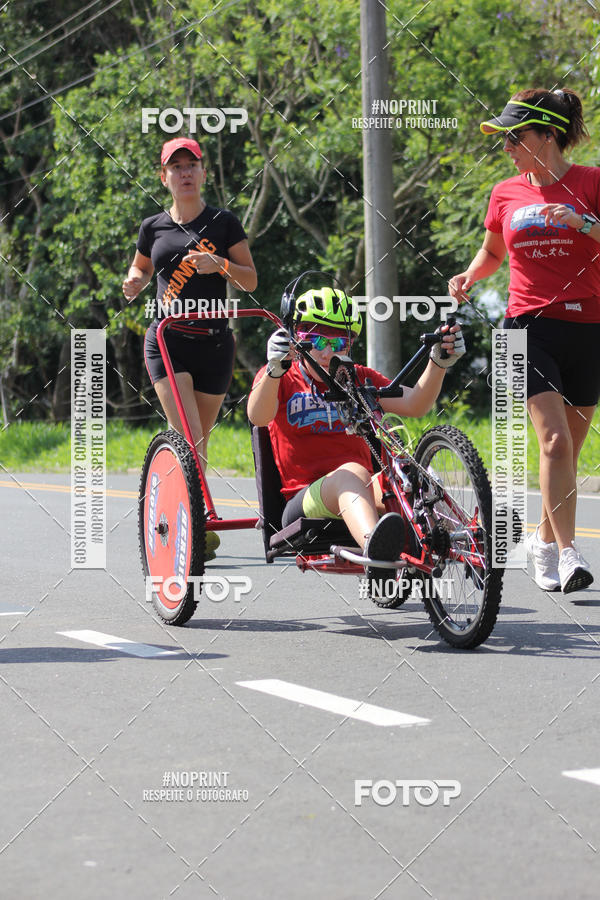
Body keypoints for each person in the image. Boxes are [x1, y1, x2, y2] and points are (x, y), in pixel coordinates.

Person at [448, 88, 599, 594]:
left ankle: (540, 540)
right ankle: (571, 552)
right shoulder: (505, 193)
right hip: (524, 328)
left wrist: (584, 223)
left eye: (516, 136)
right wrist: (469, 275)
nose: (507, 147)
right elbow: (492, 252)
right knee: (554, 440)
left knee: (567, 453)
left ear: (547, 135)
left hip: (587, 328)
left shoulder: (592, 183)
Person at [247, 287, 465, 588]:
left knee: (414, 478)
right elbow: (257, 416)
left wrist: (438, 364)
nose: (327, 352)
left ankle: (461, 535)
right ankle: (376, 552)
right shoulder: (283, 377)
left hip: (361, 488)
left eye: (339, 342)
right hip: (304, 499)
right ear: (297, 340)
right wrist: (273, 370)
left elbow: (416, 403)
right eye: (317, 341)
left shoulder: (357, 377)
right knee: (351, 474)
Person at [123, 137, 257, 558]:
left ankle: (186, 512)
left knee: (199, 445)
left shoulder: (224, 223)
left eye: (191, 166)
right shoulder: (153, 226)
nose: (184, 173)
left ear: (203, 174)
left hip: (215, 343)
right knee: (189, 434)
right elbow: (141, 268)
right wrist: (132, 282)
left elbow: (250, 280)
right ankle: (197, 525)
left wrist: (220, 265)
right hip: (167, 340)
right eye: (175, 167)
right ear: (164, 178)